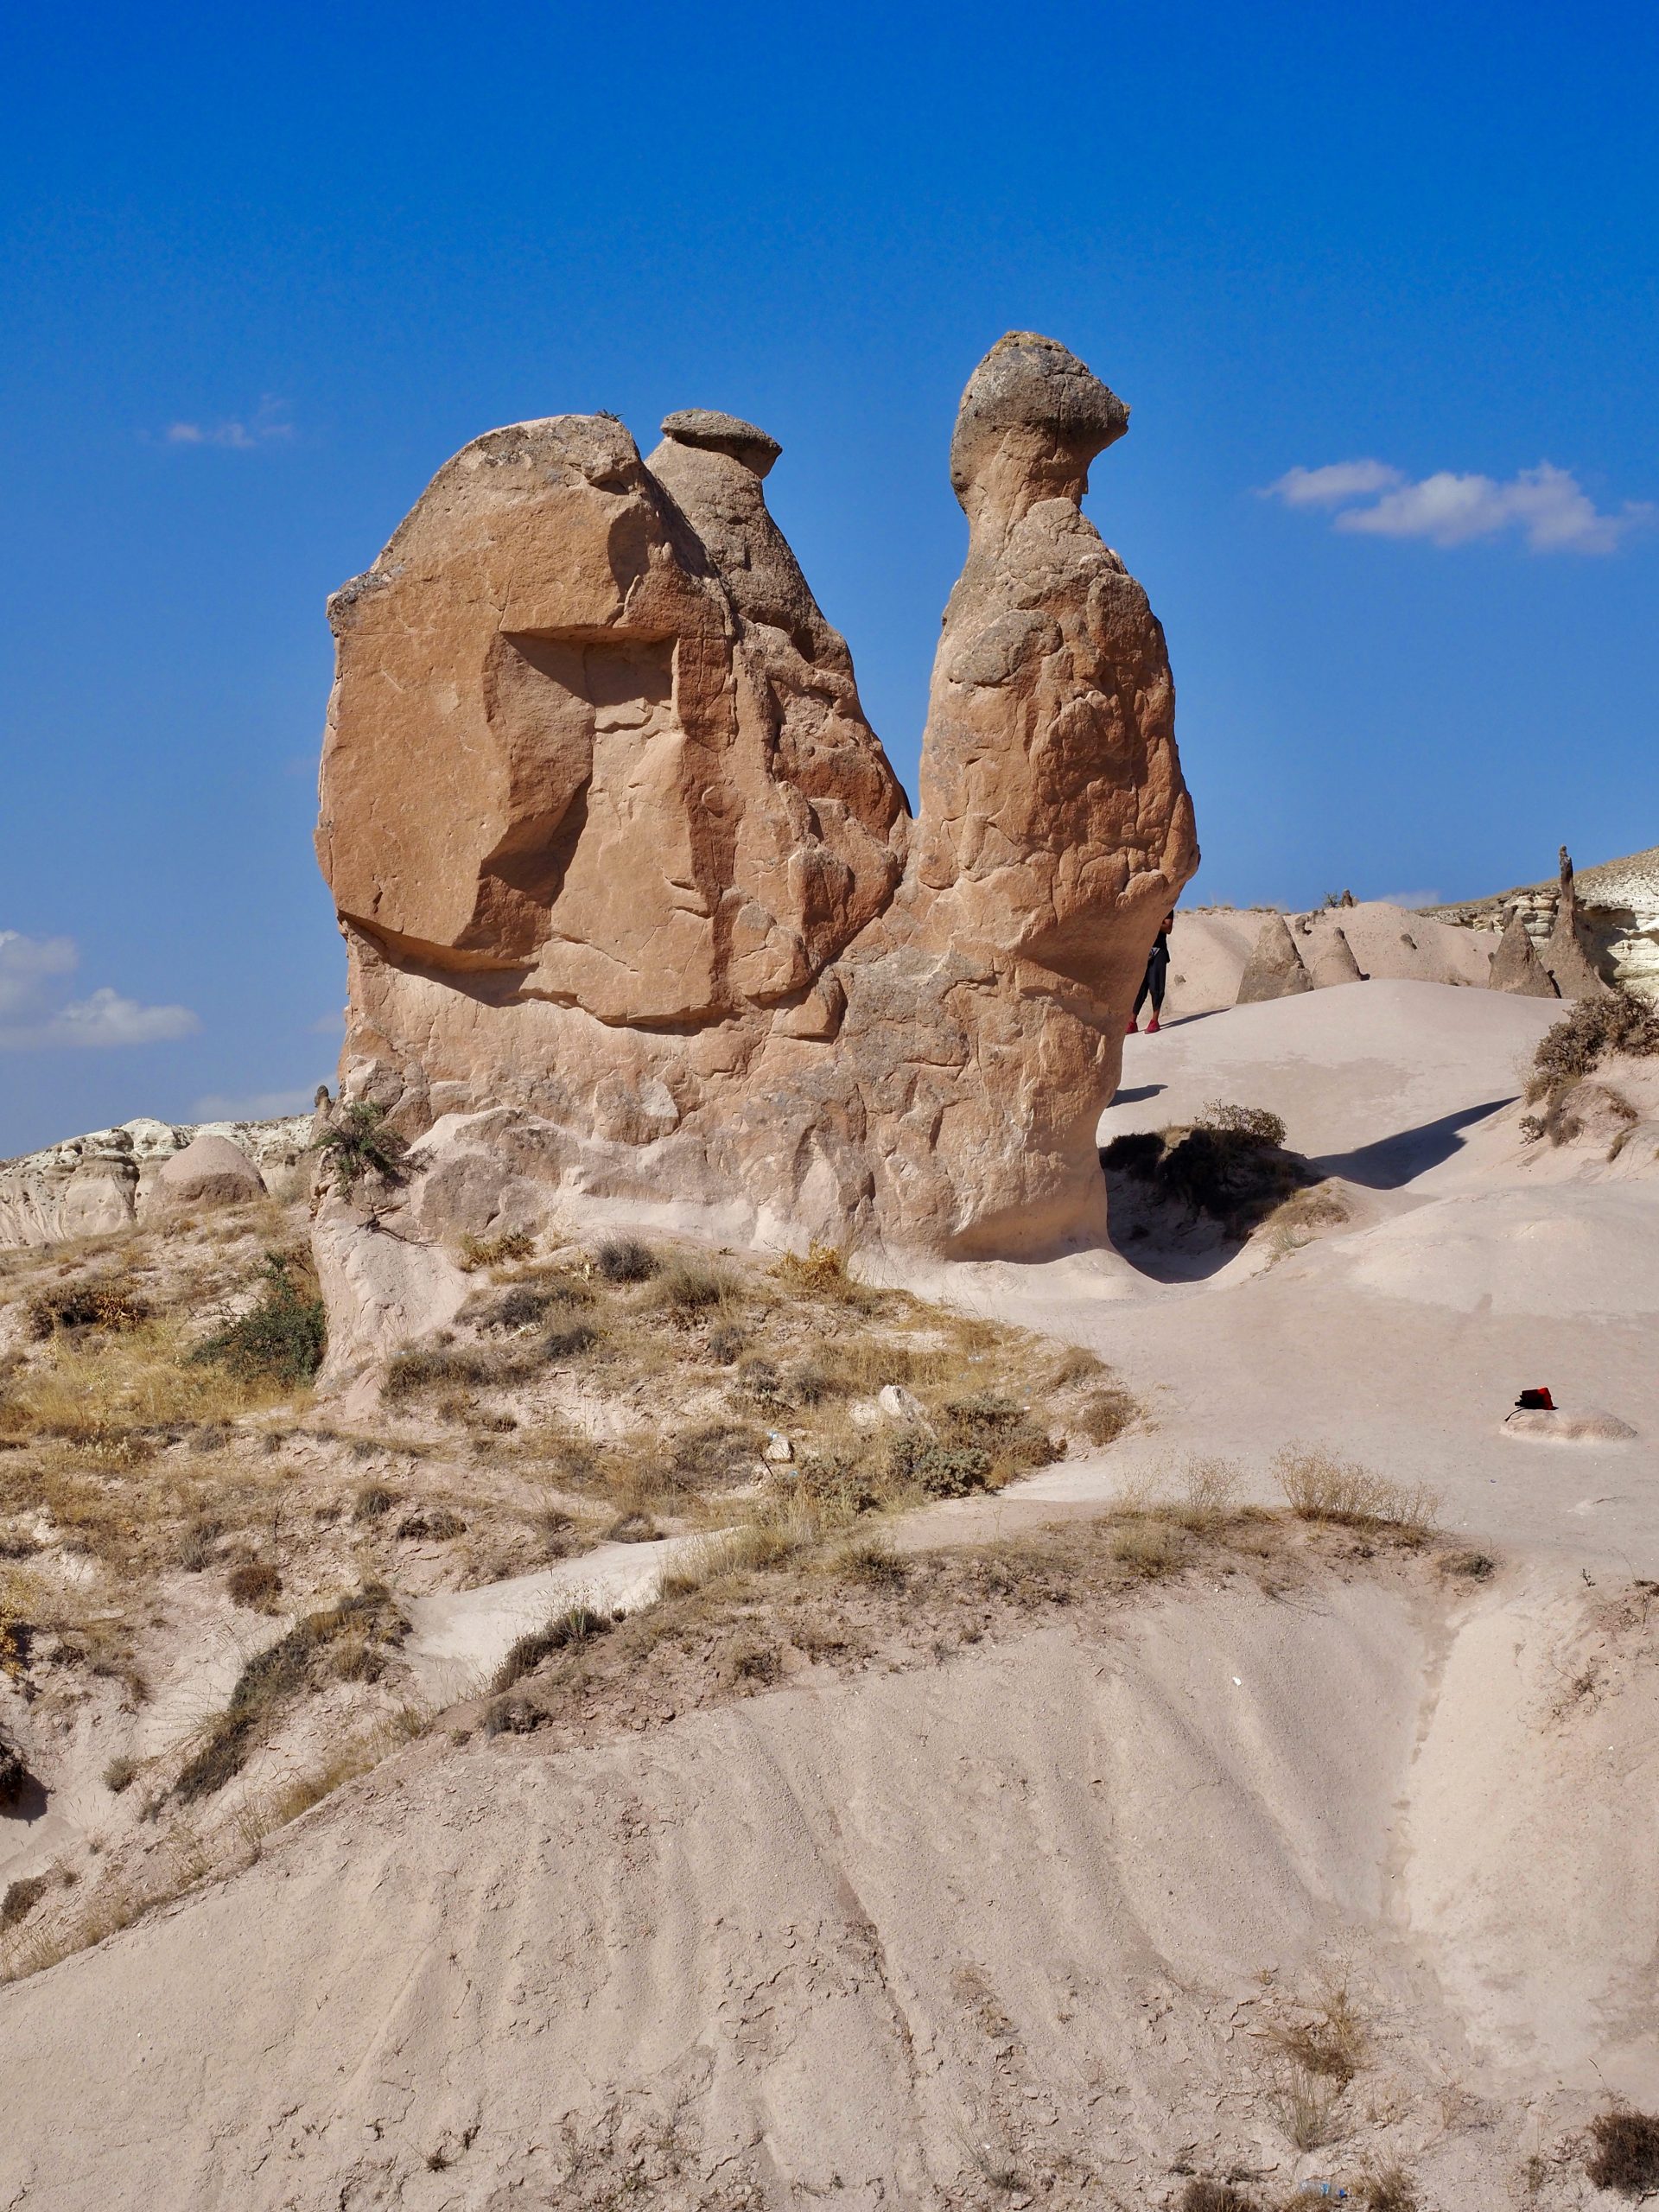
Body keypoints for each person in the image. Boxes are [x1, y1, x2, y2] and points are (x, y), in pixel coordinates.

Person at [1128, 910, 1175, 1034]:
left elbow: (1168, 928)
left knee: (1156, 986)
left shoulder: (1166, 908)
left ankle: (1154, 1020)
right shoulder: (1146, 906)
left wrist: (1151, 924)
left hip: (1159, 950)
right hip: (1143, 950)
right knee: (1139, 988)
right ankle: (1132, 1022)